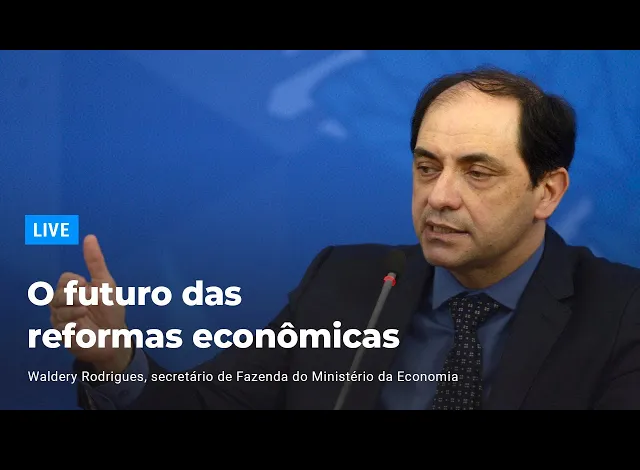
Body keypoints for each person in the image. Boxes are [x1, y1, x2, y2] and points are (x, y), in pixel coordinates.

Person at [50, 65, 640, 410]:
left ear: (547, 192)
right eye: (427, 167)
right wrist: (115, 362)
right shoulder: (347, 281)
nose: (439, 196)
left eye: (477, 173)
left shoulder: (621, 312)